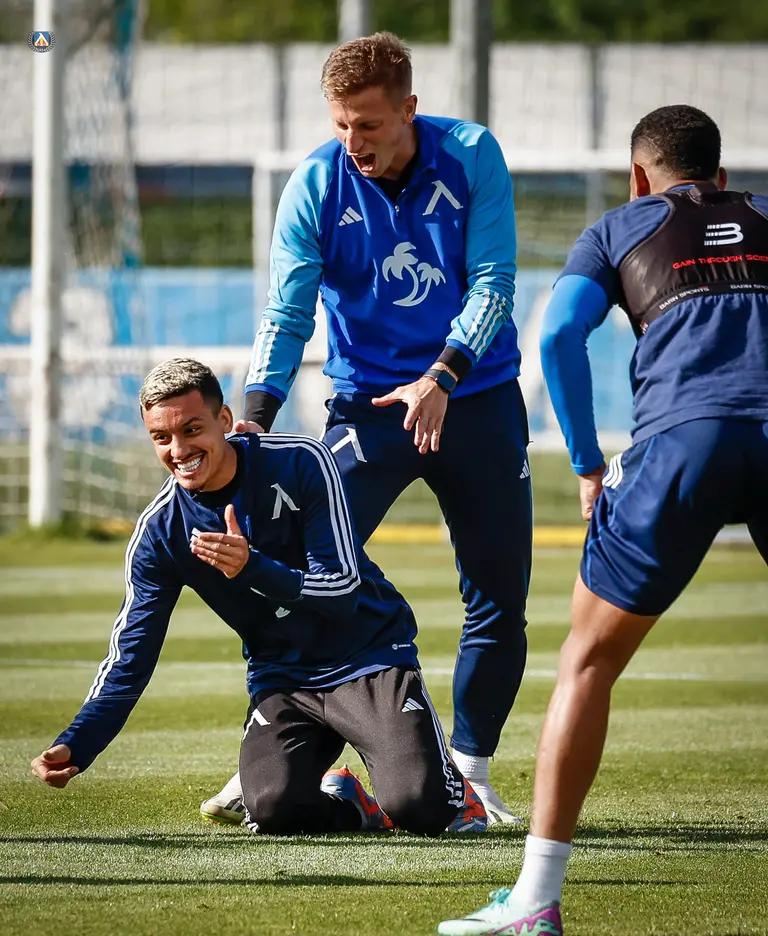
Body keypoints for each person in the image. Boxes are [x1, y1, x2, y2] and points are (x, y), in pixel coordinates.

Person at [437, 104, 768, 934]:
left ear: (638, 177)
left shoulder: (620, 228)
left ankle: (534, 901)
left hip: (682, 443)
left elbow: (558, 338)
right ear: (724, 176)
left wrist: (588, 463)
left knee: (587, 662)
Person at [201, 30, 532, 827]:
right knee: (294, 567)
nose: (354, 141)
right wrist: (255, 421)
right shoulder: (316, 183)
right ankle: (276, 755)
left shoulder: (472, 155)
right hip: (367, 410)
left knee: (497, 593)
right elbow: (288, 313)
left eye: (371, 124)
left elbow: (494, 281)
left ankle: (469, 775)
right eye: (342, 124)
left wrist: (442, 375)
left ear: (410, 109)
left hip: (475, 397)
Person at [30, 357, 488, 837]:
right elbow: (130, 657)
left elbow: (341, 591)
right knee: (272, 810)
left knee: (419, 807)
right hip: (282, 676)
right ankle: (353, 807)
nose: (179, 450)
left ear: (225, 420)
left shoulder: (301, 461)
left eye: (192, 429)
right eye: (161, 438)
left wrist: (254, 568)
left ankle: (453, 795)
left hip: (367, 657)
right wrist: (78, 743)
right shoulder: (160, 531)